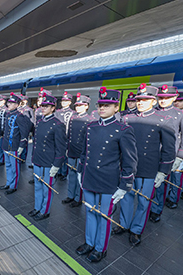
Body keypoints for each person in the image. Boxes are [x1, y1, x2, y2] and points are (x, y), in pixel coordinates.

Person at [76, 87, 137, 263]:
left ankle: (100, 248)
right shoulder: (90, 126)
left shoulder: (123, 129)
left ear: (116, 107)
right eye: (100, 105)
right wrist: (80, 171)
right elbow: (83, 152)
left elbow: (129, 160)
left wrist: (125, 185)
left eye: (107, 105)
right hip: (89, 177)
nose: (102, 108)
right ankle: (89, 242)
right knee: (90, 212)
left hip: (108, 180)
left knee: (104, 215)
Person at [115, 84, 175, 246]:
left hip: (148, 168)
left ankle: (136, 230)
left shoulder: (163, 120)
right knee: (126, 197)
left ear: (153, 100)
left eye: (145, 99)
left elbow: (169, 149)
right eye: (138, 99)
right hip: (127, 166)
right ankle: (124, 224)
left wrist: (163, 171)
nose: (140, 102)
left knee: (144, 201)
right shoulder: (126, 118)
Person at [150, 85, 183, 222]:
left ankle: (156, 210)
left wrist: (180, 157)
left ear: (174, 98)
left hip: (167, 156)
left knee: (161, 185)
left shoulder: (182, 115)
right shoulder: (152, 112)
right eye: (161, 97)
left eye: (167, 97)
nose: (163, 100)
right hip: (150, 155)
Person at [29, 94, 67, 221]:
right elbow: (36, 143)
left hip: (49, 162)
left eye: (47, 106)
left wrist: (57, 165)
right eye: (42, 106)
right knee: (38, 186)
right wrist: (33, 159)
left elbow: (61, 147)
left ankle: (45, 210)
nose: (43, 108)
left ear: (53, 108)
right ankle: (37, 207)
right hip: (38, 159)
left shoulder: (57, 124)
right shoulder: (39, 122)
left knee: (47, 188)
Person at [62, 93, 94, 208]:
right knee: (71, 174)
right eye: (77, 105)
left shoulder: (90, 120)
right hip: (72, 151)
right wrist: (67, 148)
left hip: (82, 152)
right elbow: (69, 135)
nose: (78, 107)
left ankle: (78, 198)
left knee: (79, 175)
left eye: (81, 105)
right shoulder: (73, 117)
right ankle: (70, 195)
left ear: (87, 106)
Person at [0, 93, 31, 194]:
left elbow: (24, 133)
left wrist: (22, 146)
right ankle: (8, 183)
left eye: (12, 103)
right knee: (8, 166)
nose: (9, 104)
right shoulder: (8, 114)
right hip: (6, 145)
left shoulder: (19, 116)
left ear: (17, 105)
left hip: (14, 146)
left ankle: (13, 186)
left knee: (15, 168)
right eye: (9, 102)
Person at [55, 91, 74, 181]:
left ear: (70, 102)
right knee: (57, 153)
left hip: (66, 137)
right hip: (57, 136)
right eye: (63, 101)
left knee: (65, 155)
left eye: (66, 101)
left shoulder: (72, 113)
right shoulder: (57, 112)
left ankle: (63, 172)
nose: (64, 103)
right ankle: (57, 171)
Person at [17, 95, 34, 162]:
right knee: (19, 143)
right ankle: (19, 156)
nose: (22, 102)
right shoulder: (18, 109)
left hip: (26, 129)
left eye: (23, 100)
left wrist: (30, 130)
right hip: (19, 130)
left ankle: (23, 158)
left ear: (26, 101)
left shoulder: (29, 110)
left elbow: (31, 120)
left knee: (24, 143)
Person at [0, 94, 8, 166]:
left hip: (3, 131)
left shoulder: (6, 110)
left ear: (4, 101)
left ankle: (2, 160)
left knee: (2, 146)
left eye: (0, 101)